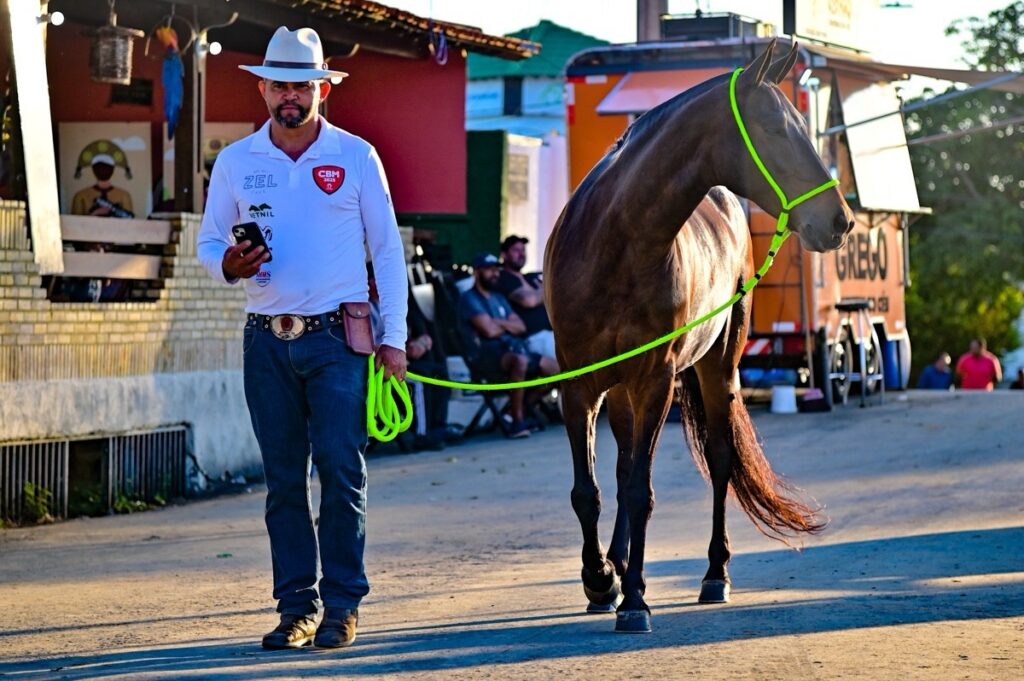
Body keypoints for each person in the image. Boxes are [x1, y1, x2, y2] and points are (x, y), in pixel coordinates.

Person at [196, 26, 408, 651]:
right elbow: (209, 243)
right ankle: (297, 609)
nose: (290, 96)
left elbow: (387, 252)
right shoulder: (237, 161)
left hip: (338, 338)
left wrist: (394, 338)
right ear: (262, 89)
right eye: (279, 85)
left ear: (323, 89)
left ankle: (342, 605)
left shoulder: (357, 156)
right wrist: (227, 263)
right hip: (265, 340)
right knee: (284, 481)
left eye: (302, 86)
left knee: (341, 470)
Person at [458, 252, 558, 438]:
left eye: (496, 269)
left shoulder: (499, 297)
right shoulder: (469, 298)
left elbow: (520, 327)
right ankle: (517, 423)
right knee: (519, 361)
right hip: (485, 357)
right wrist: (504, 325)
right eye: (489, 270)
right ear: (477, 272)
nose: (495, 273)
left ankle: (517, 409)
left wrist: (496, 322)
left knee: (558, 369)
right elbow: (489, 331)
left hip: (512, 350)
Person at [368, 263, 455, 451]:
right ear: (370, 282)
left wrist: (420, 343)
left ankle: (438, 428)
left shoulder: (388, 307)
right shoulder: (365, 309)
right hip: (378, 368)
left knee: (439, 373)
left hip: (399, 360)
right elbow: (369, 345)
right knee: (419, 382)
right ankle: (421, 434)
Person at [495, 235, 557, 360]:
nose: (521, 254)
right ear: (504, 254)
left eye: (523, 250)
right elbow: (529, 301)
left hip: (553, 333)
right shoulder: (503, 278)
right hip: (533, 338)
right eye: (516, 250)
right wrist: (546, 290)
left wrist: (542, 292)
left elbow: (556, 296)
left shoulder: (530, 278)